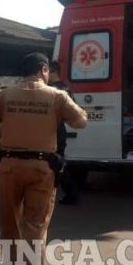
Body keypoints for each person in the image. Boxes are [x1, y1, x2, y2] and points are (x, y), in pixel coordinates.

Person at [0, 53, 87, 265]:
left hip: (9, 166)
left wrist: (6, 117)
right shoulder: (57, 96)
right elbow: (80, 122)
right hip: (41, 168)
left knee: (9, 216)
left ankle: (8, 260)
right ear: (43, 70)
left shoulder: (5, 94)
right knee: (35, 223)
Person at [48, 61, 81, 205]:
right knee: (57, 162)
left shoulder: (51, 90)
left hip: (52, 130)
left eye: (47, 71)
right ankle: (69, 193)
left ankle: (70, 193)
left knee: (55, 163)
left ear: (53, 71)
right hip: (60, 129)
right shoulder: (66, 88)